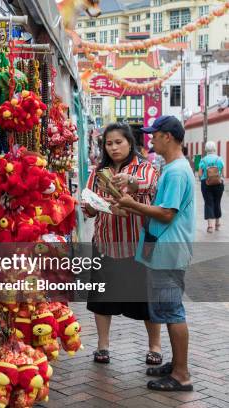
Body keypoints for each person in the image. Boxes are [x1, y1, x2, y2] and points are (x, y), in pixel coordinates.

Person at [115, 115, 195, 392]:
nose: (150, 139)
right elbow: (161, 202)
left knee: (173, 312)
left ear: (167, 137)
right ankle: (176, 365)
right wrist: (134, 190)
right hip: (161, 248)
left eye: (154, 134)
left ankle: (182, 374)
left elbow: (166, 213)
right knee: (168, 309)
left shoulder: (175, 171)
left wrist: (131, 204)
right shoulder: (172, 167)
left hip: (167, 250)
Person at [82, 123, 162, 366]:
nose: (114, 147)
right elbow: (89, 204)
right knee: (102, 298)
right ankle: (102, 346)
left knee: (146, 298)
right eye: (109, 143)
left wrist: (128, 181)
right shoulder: (98, 172)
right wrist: (91, 206)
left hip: (138, 245)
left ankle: (154, 347)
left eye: (119, 142)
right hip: (106, 243)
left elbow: (146, 184)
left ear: (130, 143)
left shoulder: (145, 167)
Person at [198, 141, 224, 233]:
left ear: (206, 149)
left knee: (208, 203)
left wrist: (203, 179)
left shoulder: (203, 160)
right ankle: (217, 224)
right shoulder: (219, 159)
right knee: (217, 202)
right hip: (219, 184)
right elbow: (223, 173)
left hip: (206, 183)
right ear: (214, 148)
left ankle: (210, 227)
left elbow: (200, 174)